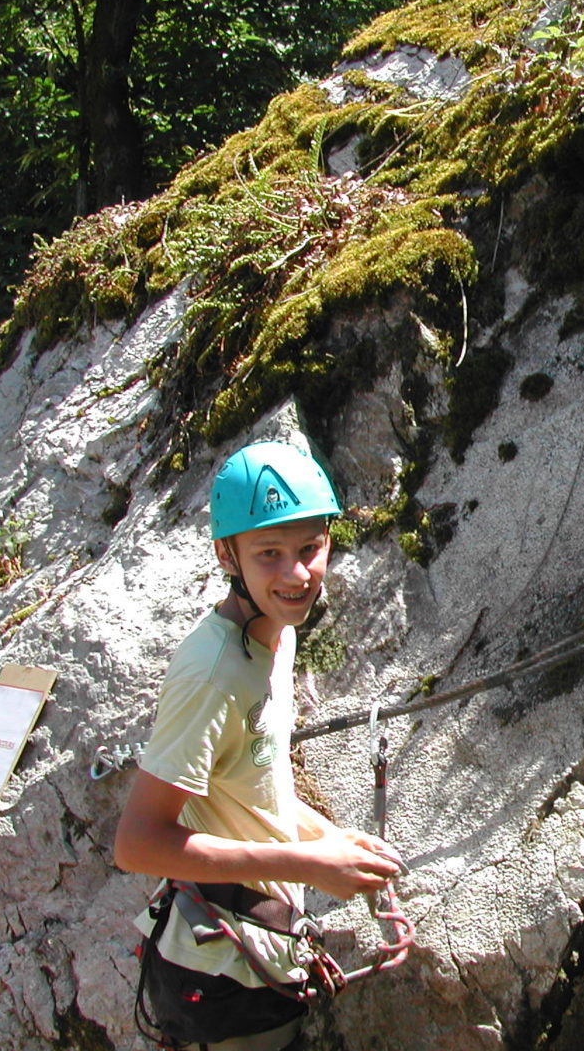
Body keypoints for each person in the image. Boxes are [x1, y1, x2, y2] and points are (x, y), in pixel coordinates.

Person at [114, 441, 405, 1051]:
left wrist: (329, 839)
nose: (296, 575)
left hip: (258, 939)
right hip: (227, 976)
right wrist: (308, 865)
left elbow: (253, 781)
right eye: (268, 554)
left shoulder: (275, 634)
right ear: (228, 554)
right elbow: (139, 843)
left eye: (309, 548)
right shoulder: (213, 673)